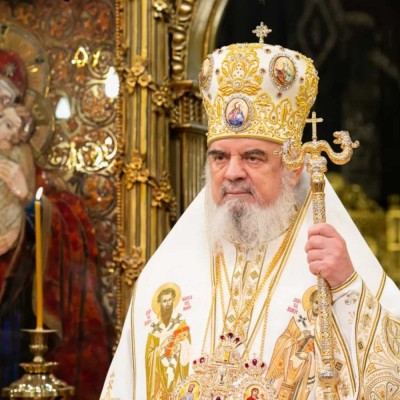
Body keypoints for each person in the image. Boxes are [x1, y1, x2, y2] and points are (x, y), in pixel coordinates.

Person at [100, 27, 400, 400]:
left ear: (293, 167)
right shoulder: (163, 274)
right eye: (219, 157)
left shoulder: (333, 265)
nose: (232, 172)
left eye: (252, 157)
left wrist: (346, 286)